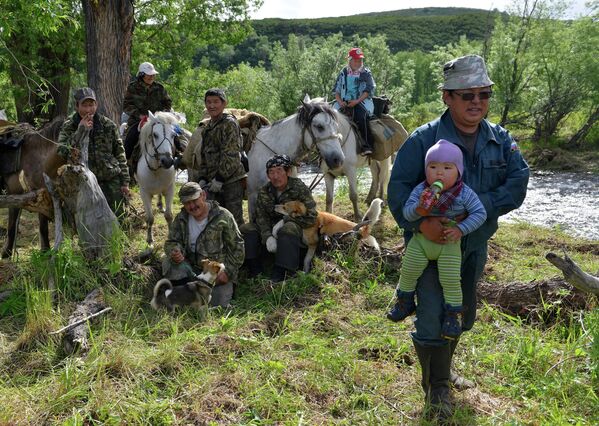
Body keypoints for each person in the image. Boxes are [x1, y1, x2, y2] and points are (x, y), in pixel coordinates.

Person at [388, 54, 529, 418]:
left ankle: (445, 372)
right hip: (429, 245)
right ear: (447, 97)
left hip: (474, 242)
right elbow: (399, 188)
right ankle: (435, 387)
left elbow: (518, 184)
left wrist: (476, 208)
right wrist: (421, 224)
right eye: (467, 95)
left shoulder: (500, 139)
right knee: (432, 312)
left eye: (484, 94)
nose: (477, 102)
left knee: (461, 314)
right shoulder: (424, 140)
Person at [386, 139, 487, 341]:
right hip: (421, 240)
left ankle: (453, 316)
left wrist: (460, 229)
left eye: (447, 168)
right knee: (408, 271)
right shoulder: (420, 190)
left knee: (450, 280)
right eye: (433, 167)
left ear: (459, 171)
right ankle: (404, 302)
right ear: (426, 170)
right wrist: (419, 210)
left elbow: (480, 213)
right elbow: (407, 213)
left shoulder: (464, 193)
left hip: (449, 243)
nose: (439, 173)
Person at [162, 182, 244, 308]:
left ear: (203, 196)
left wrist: (227, 272)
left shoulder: (223, 216)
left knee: (215, 303)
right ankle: (181, 294)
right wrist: (175, 251)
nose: (192, 206)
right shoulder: (181, 218)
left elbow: (238, 247)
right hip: (191, 270)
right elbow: (172, 242)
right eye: (187, 203)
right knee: (168, 264)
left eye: (194, 200)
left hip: (216, 274)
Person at [240, 154, 317, 282]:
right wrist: (268, 236)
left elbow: (312, 217)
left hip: (294, 231)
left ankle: (282, 271)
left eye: (279, 171)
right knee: (247, 229)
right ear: (268, 175)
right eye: (271, 172)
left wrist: (286, 220)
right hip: (270, 229)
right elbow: (261, 217)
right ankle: (254, 270)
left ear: (288, 172)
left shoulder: (299, 188)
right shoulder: (264, 191)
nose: (275, 176)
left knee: (288, 228)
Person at [57, 87, 130, 218]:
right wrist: (80, 130)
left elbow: (120, 153)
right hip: (83, 181)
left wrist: (125, 182)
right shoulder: (69, 126)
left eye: (91, 105)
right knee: (88, 220)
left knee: (119, 218)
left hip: (110, 178)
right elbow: (62, 151)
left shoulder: (107, 124)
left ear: (96, 105)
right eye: (84, 105)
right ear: (77, 106)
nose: (88, 109)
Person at [194, 88, 246, 226]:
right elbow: (204, 157)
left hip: (231, 181)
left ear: (224, 104)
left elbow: (232, 155)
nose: (212, 106)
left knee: (234, 222)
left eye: (216, 102)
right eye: (209, 102)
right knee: (215, 222)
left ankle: (239, 248)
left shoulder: (229, 124)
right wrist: (203, 178)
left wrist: (220, 178)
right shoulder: (207, 128)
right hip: (213, 183)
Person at [123, 62, 172, 164]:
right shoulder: (132, 88)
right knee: (131, 137)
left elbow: (167, 103)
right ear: (141, 75)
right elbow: (127, 105)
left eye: (153, 74)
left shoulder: (159, 88)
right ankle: (126, 162)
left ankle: (179, 154)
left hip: (158, 120)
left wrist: (162, 115)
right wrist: (139, 115)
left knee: (172, 134)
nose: (152, 76)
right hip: (138, 120)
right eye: (149, 74)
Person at [332, 47, 376, 156]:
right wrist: (340, 102)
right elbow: (336, 90)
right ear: (349, 60)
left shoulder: (366, 73)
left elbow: (368, 90)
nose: (358, 62)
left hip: (361, 101)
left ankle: (366, 145)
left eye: (360, 60)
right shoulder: (343, 72)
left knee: (362, 116)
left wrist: (356, 101)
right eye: (356, 60)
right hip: (343, 101)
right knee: (331, 116)